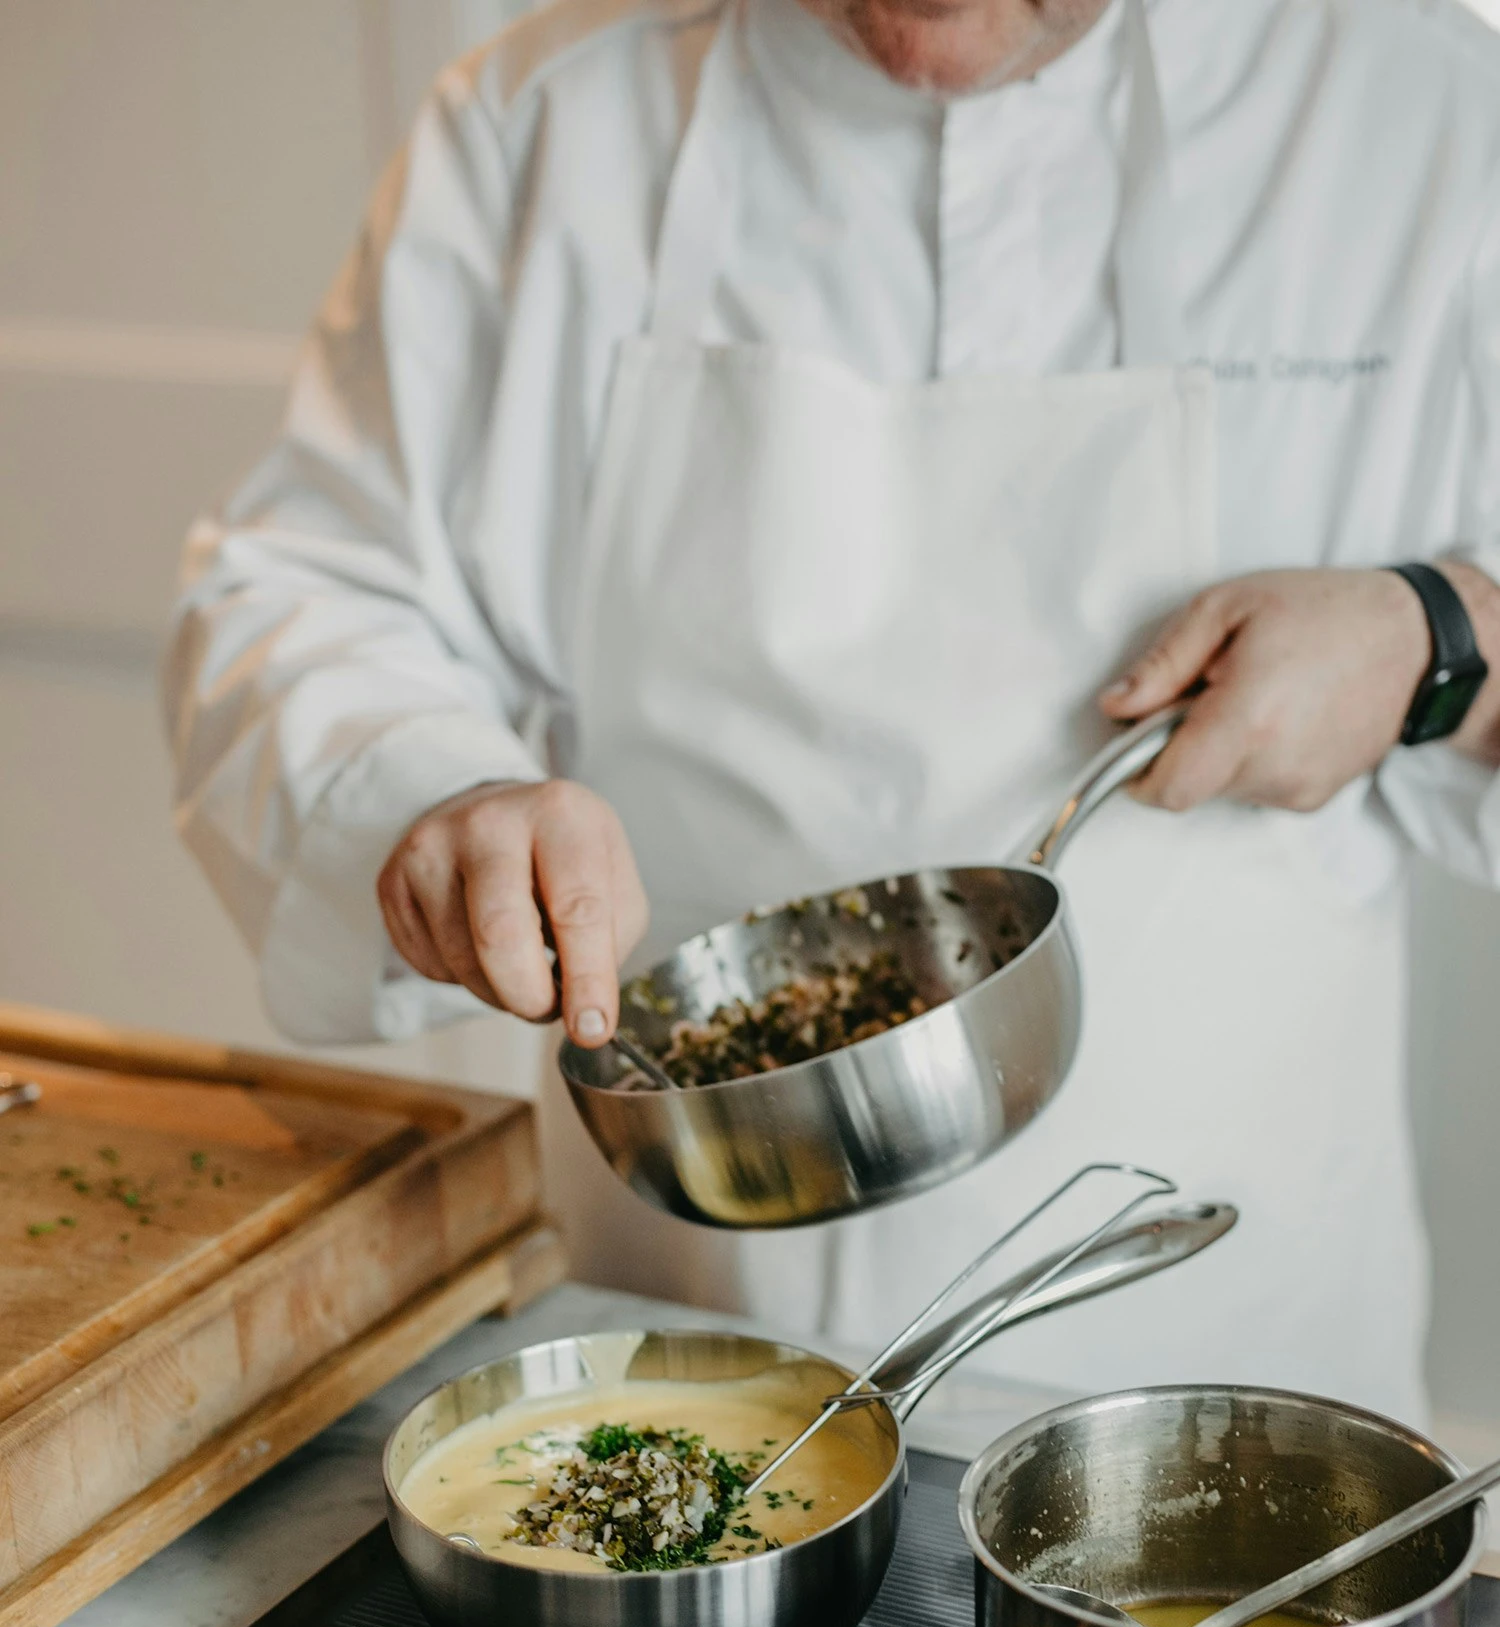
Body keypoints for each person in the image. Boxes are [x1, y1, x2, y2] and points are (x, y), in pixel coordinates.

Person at [167, 0, 1500, 1424]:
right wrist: (435, 795)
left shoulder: (1429, 110)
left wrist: (1445, 637)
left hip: (1236, 1379)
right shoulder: (543, 123)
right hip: (671, 1352)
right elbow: (303, 600)